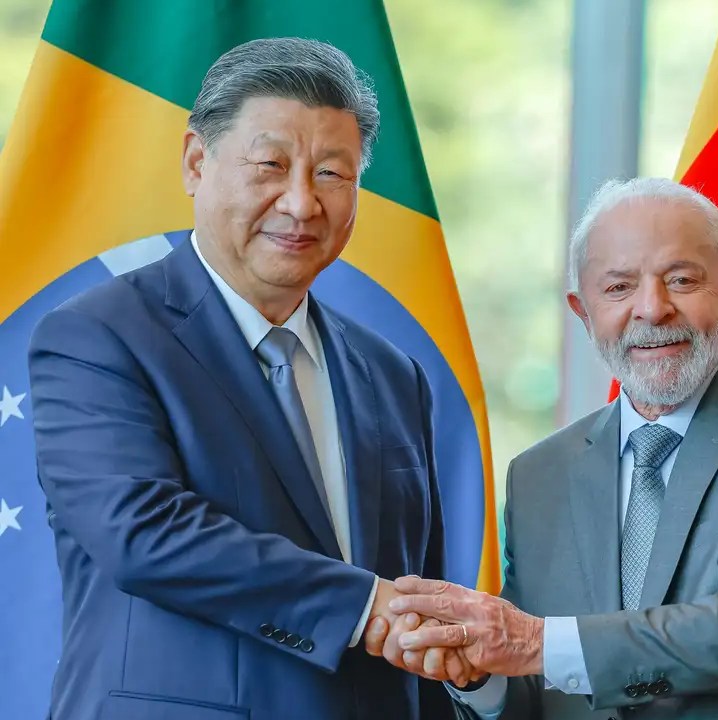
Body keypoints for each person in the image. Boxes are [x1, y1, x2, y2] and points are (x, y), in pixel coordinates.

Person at [27, 37, 471, 720]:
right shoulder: (97, 336)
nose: (300, 204)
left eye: (332, 174)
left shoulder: (393, 373)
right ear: (196, 162)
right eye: (270, 165)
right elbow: (143, 532)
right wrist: (361, 604)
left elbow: (420, 598)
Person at [368, 178, 718, 719]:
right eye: (618, 288)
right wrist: (480, 674)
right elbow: (542, 685)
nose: (651, 308)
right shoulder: (540, 474)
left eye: (682, 280)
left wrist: (531, 644)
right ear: (582, 311)